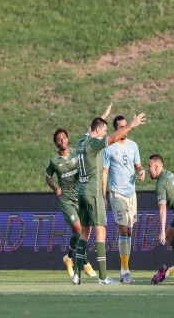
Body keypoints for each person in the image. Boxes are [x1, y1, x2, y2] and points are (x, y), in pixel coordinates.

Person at [72, 109, 146, 285]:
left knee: (84, 232)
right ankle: (103, 276)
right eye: (104, 131)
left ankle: (76, 274)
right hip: (94, 191)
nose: (106, 134)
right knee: (101, 231)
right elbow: (112, 139)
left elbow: (93, 128)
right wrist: (131, 125)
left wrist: (102, 118)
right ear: (98, 131)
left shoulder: (81, 141)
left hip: (81, 192)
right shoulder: (94, 144)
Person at [45, 128, 97, 278]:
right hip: (66, 200)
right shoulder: (54, 161)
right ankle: (86, 265)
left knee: (80, 233)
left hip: (80, 197)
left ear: (68, 139)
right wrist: (55, 187)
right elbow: (48, 176)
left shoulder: (76, 153)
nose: (62, 141)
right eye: (59, 139)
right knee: (79, 230)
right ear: (56, 144)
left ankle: (68, 258)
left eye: (64, 138)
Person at [102, 115, 145, 284]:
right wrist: (104, 193)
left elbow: (138, 165)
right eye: (121, 127)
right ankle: (125, 271)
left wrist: (141, 171)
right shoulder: (109, 147)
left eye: (125, 126)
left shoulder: (133, 146)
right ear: (115, 129)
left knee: (129, 231)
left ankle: (124, 271)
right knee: (122, 229)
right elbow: (105, 171)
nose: (124, 129)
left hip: (131, 194)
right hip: (117, 193)